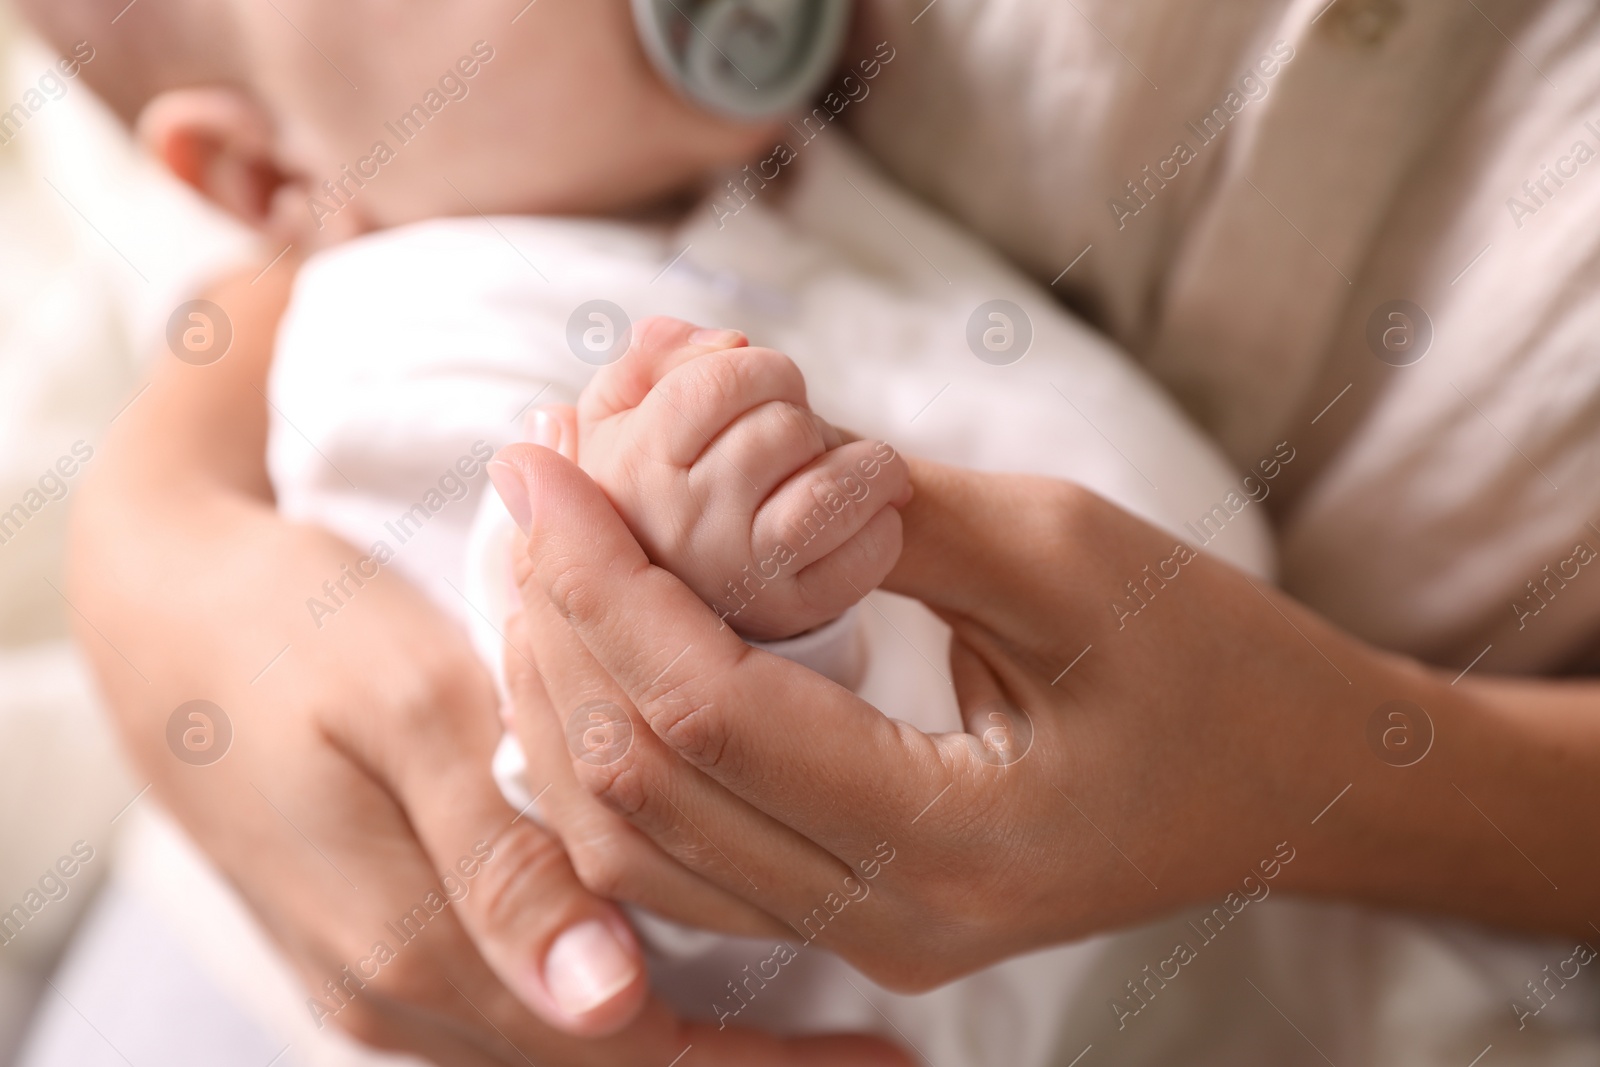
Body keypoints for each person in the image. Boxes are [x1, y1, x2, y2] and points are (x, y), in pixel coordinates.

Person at [36, 0, 1600, 1065]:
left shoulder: (772, 185)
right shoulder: (408, 338)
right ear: (262, 171)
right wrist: (734, 617)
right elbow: (551, 801)